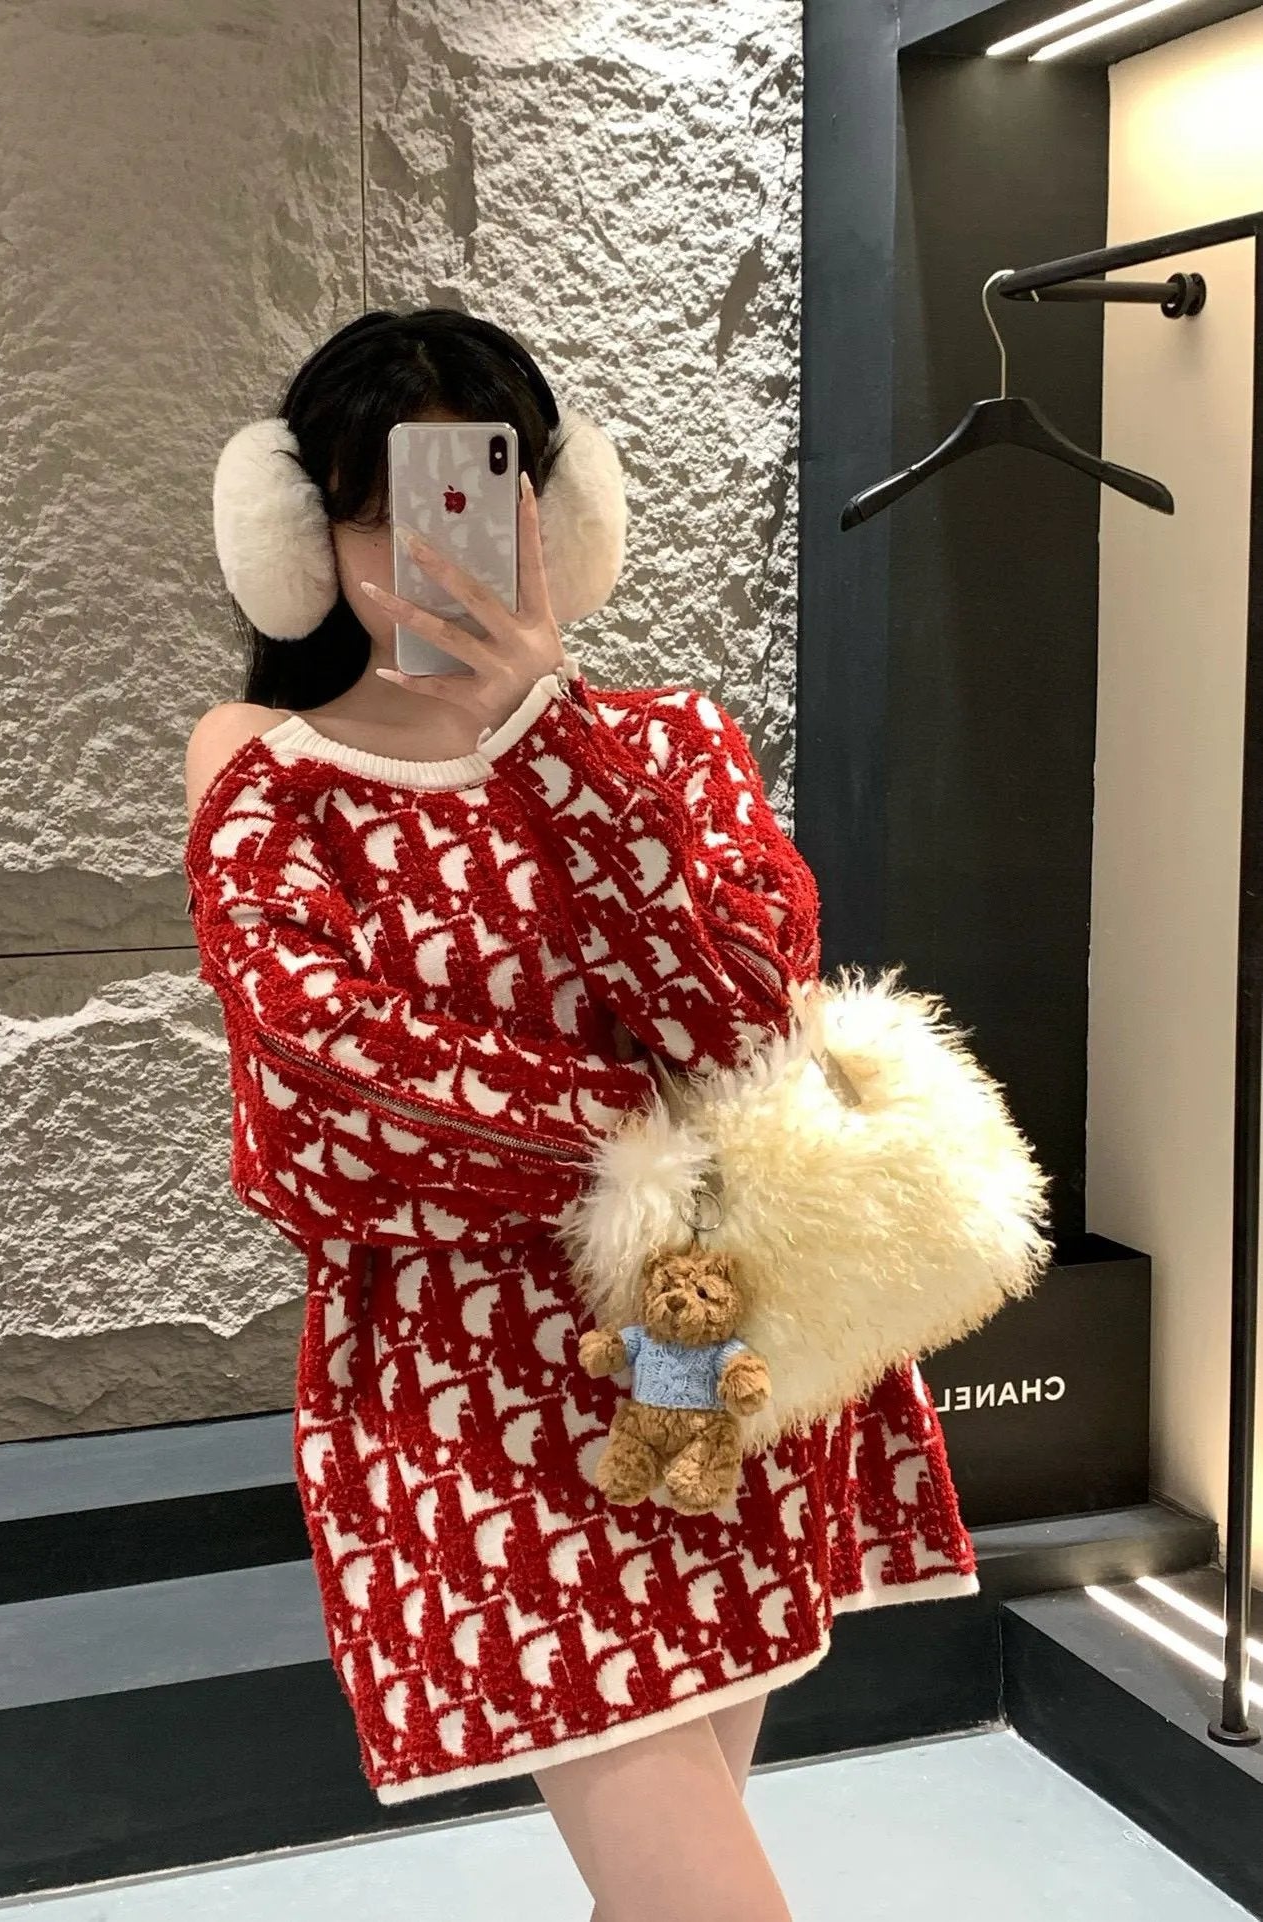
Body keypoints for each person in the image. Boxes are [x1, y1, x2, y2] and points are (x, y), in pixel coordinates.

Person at [183, 308, 980, 1922]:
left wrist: (552, 737)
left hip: (701, 1348)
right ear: (300, 539)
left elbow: (743, 1020)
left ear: (557, 507)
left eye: (478, 496)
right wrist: (652, 1128)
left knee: (666, 1877)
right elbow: (327, 1102)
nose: (431, 552)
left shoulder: (661, 745)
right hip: (464, 1395)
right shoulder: (268, 778)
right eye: (378, 511)